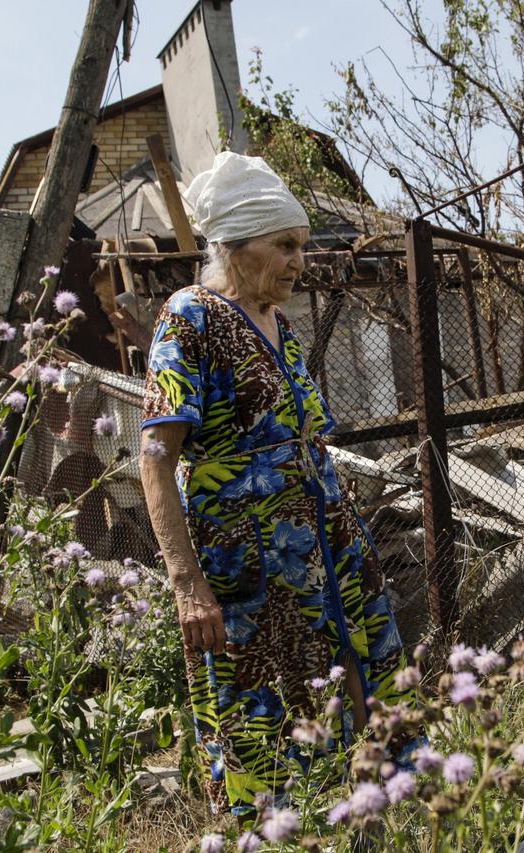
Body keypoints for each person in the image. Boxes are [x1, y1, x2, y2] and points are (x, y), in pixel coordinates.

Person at [140, 152, 413, 815]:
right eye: (285, 245)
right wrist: (185, 581)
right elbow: (154, 454)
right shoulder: (190, 317)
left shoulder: (281, 328)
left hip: (326, 546)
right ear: (235, 245)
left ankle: (372, 816)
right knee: (268, 710)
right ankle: (285, 828)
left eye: (301, 246)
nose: (299, 261)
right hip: (250, 565)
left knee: (362, 679)